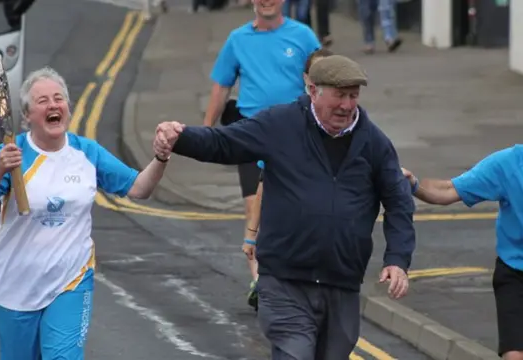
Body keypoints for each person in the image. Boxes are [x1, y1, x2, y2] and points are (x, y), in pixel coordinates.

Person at [154, 55, 416, 359]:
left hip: (341, 283)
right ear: (314, 90)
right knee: (294, 353)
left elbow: (398, 202)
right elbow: (225, 143)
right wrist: (180, 137)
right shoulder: (280, 124)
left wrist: (397, 259)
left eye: (353, 96)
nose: (347, 105)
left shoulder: (374, 143)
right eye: (339, 95)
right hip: (284, 280)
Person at [0, 67, 170, 360]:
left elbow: (139, 188)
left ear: (68, 109)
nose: (53, 105)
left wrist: (161, 157)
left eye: (58, 99)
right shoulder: (12, 153)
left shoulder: (86, 152)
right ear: (27, 117)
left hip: (70, 280)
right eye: (43, 101)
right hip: (15, 285)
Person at [203, 0, 321, 310]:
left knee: (297, 207)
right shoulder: (237, 40)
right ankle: (261, 282)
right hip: (253, 135)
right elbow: (221, 88)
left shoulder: (304, 37)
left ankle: (296, 274)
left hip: (297, 136)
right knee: (253, 205)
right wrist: (204, 134)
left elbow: (325, 81)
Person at [402, 150, 523, 360]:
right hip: (515, 274)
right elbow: (448, 191)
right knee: (514, 355)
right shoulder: (509, 163)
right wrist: (413, 183)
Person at [243, 48, 334, 311]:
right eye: (317, 74)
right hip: (288, 238)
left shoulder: (349, 123)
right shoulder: (285, 122)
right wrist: (251, 236)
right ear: (306, 78)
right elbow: (264, 182)